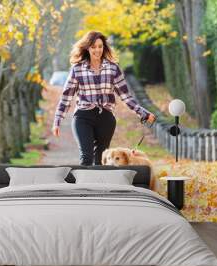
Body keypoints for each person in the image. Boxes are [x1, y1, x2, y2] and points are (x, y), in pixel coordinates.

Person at [52, 31, 156, 166]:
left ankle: (99, 187)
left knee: (100, 160)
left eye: (100, 46)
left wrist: (143, 113)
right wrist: (57, 120)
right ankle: (84, 187)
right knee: (86, 157)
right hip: (83, 116)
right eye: (93, 47)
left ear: (104, 47)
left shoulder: (113, 68)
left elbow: (125, 96)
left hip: (106, 118)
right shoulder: (77, 69)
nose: (97, 50)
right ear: (87, 48)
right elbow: (67, 97)